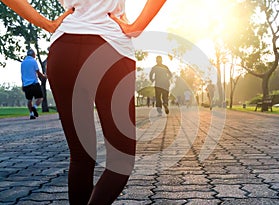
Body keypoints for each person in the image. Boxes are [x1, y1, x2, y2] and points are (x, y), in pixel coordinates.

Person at [2, 0, 167, 204]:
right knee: (120, 160)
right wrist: (136, 27)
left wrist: (47, 24)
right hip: (111, 49)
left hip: (64, 51)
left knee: (81, 157)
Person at [21, 49, 46, 120]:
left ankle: (31, 114)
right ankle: (34, 107)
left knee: (29, 100)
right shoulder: (33, 61)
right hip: (34, 83)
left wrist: (23, 84)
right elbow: (38, 72)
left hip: (26, 84)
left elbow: (22, 75)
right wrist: (44, 77)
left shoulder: (23, 63)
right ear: (33, 54)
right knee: (40, 98)